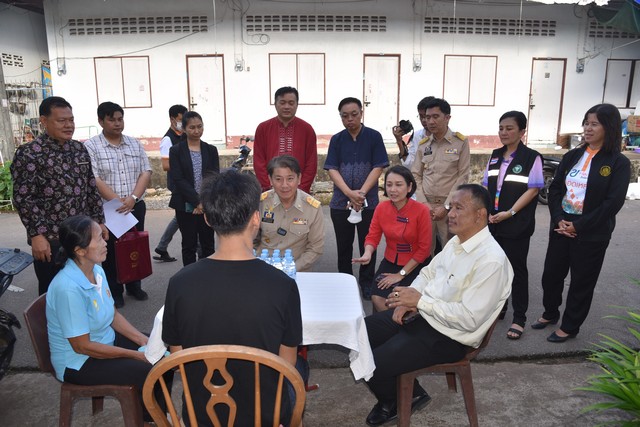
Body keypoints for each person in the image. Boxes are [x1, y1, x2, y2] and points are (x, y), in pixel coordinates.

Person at [363, 184, 513, 426]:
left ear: (480, 215)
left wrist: (421, 302)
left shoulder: (491, 261)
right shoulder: (457, 242)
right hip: (425, 316)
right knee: (357, 334)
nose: (450, 213)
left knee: (372, 363)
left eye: (458, 208)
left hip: (453, 336)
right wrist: (410, 298)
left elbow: (469, 319)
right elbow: (427, 273)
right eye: (450, 206)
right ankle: (406, 395)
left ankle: (396, 399)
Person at [162, 171, 303, 426]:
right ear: (256, 219)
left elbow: (176, 358)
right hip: (264, 417)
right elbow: (287, 363)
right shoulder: (283, 285)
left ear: (207, 219)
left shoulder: (179, 283)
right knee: (299, 373)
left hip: (202, 416)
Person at [45, 215, 170, 424]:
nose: (106, 242)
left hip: (104, 341)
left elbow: (112, 315)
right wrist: (136, 356)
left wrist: (143, 341)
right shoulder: (67, 288)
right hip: (79, 362)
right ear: (80, 250)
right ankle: (150, 419)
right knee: (151, 369)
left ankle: (154, 417)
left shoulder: (96, 269)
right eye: (99, 239)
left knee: (164, 354)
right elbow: (82, 346)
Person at [534, 103, 630, 343]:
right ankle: (550, 312)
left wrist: (580, 225)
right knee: (551, 275)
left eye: (594, 124)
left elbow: (612, 203)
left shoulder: (618, 163)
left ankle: (570, 326)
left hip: (591, 232)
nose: (588, 128)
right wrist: (559, 218)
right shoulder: (572, 156)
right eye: (586, 123)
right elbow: (555, 189)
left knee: (581, 281)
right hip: (561, 224)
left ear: (609, 127)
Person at [11, 96, 106, 295]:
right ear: (44, 121)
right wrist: (36, 234)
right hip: (50, 239)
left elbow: (90, 187)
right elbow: (23, 198)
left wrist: (99, 222)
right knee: (54, 292)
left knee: (88, 286)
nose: (69, 125)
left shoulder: (79, 149)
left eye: (71, 120)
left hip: (82, 235)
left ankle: (89, 324)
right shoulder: (29, 154)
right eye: (61, 120)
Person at [482, 111, 544, 340]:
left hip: (516, 224)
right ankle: (500, 308)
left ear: (521, 131)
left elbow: (533, 189)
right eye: (501, 128)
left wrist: (510, 213)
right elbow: (486, 185)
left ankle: (519, 318)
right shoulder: (495, 155)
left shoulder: (532, 157)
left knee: (517, 271)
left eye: (509, 128)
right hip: (493, 222)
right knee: (495, 269)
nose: (504, 132)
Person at [85, 102, 152, 308]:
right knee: (111, 250)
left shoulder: (133, 144)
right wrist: (117, 201)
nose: (117, 123)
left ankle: (134, 284)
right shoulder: (91, 146)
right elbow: (94, 178)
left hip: (134, 205)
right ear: (100, 121)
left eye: (120, 119)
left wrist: (132, 198)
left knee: (134, 245)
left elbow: (146, 171)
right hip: (109, 209)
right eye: (111, 119)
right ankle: (115, 290)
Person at [324, 97, 390, 300]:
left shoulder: (373, 136)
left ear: (361, 113)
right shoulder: (336, 139)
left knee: (367, 244)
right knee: (343, 246)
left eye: (354, 114)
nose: (350, 119)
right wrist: (349, 193)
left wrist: (360, 193)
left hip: (368, 203)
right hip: (340, 203)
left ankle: (367, 283)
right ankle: (345, 281)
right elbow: (332, 168)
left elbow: (378, 166)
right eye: (345, 116)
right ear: (340, 117)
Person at [352, 166, 432, 312]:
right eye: (389, 185)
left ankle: (400, 329)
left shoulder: (422, 211)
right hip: (390, 262)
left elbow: (424, 249)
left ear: (409, 187)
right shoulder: (382, 208)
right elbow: (372, 236)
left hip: (416, 264)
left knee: (399, 301)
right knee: (377, 297)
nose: (393, 189)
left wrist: (400, 275)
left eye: (398, 185)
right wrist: (367, 253)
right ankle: (388, 328)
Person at [411, 97, 470, 257]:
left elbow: (463, 176)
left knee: (452, 252)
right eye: (427, 117)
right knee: (423, 253)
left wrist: (446, 207)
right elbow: (416, 174)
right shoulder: (424, 145)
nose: (430, 121)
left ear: (447, 118)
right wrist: (424, 204)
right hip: (426, 208)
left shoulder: (460, 142)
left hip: (451, 208)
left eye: (435, 116)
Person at [255, 155, 324, 272]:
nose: (284, 185)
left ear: (299, 178)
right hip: (264, 271)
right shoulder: (260, 203)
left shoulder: (312, 208)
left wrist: (290, 269)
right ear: (270, 180)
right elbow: (250, 240)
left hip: (297, 272)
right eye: (278, 179)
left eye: (290, 179)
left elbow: (315, 248)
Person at [168, 111, 220, 266]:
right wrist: (197, 202)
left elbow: (213, 177)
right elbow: (178, 179)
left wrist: (204, 201)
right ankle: (189, 278)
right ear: (184, 128)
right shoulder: (176, 151)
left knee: (208, 244)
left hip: (206, 204)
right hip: (185, 204)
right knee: (189, 244)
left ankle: (207, 277)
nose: (197, 131)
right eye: (192, 127)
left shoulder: (210, 150)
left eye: (200, 126)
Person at [253, 86, 318, 193]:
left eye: (291, 103)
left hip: (300, 191)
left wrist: (301, 189)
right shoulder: (263, 128)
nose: (286, 107)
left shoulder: (307, 129)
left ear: (297, 105)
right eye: (282, 103)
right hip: (270, 190)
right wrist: (269, 186)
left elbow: (311, 163)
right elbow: (259, 161)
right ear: (275, 104)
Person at [154, 104, 188, 263]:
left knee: (180, 217)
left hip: (186, 182)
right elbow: (166, 165)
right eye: (181, 120)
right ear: (172, 119)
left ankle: (162, 246)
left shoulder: (184, 135)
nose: (183, 123)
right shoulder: (168, 139)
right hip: (177, 183)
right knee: (184, 216)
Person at [393, 96, 435, 169]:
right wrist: (399, 141)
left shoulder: (454, 139)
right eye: (421, 116)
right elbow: (409, 165)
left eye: (427, 116)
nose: (423, 120)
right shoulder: (417, 136)